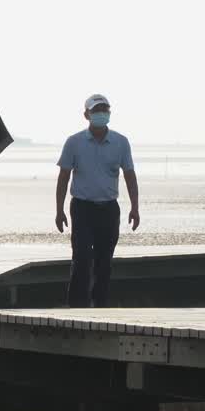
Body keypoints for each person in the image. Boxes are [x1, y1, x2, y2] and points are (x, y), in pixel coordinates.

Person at [55, 94, 141, 308]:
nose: (101, 114)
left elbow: (130, 175)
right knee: (82, 258)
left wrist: (135, 207)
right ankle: (76, 306)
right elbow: (63, 177)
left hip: (109, 208)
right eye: (96, 111)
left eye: (105, 110)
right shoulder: (74, 142)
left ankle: (100, 305)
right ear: (87, 114)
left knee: (104, 262)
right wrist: (59, 210)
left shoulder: (121, 142)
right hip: (82, 207)